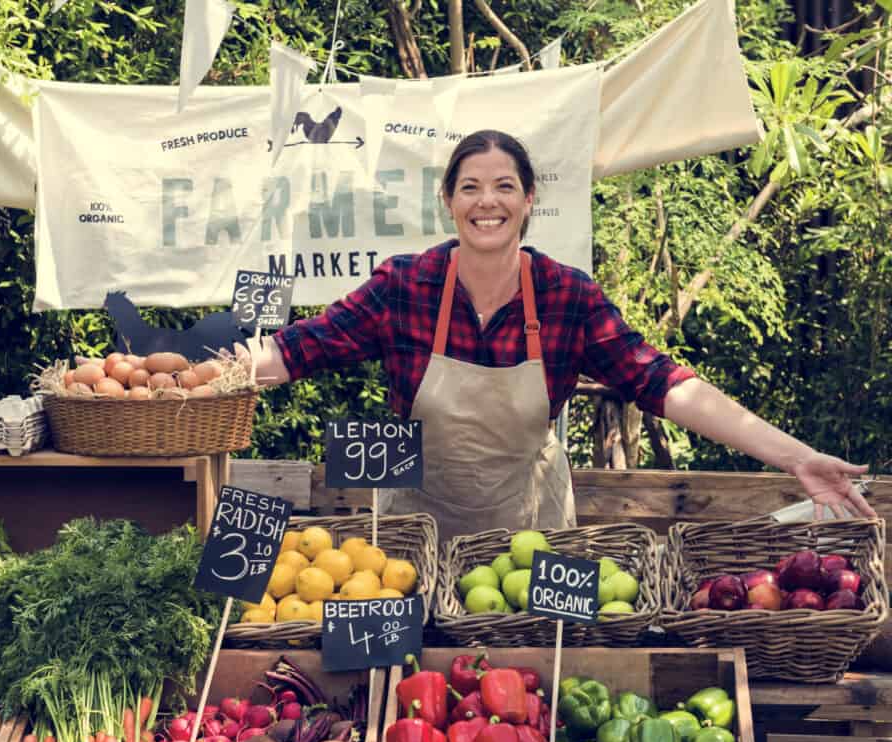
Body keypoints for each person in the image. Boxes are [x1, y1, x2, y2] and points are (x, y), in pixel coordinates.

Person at [239, 129, 875, 545]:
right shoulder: (405, 286)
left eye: (504, 187)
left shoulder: (567, 296)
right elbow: (299, 350)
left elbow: (663, 384)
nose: (487, 202)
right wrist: (197, 380)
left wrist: (794, 456)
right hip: (413, 537)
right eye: (470, 188)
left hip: (531, 539)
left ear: (528, 199)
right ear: (448, 202)